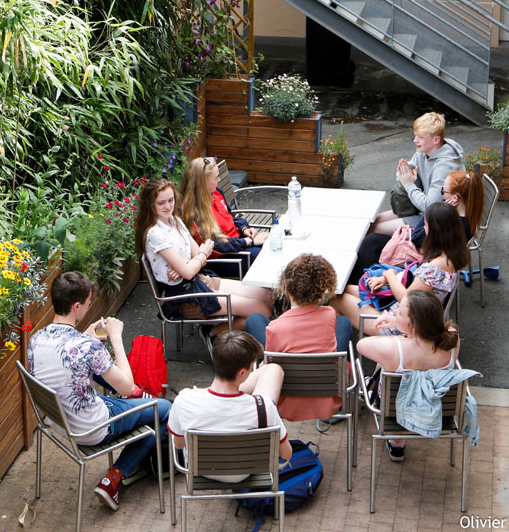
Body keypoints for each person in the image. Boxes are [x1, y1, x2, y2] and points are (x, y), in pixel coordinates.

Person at [27, 271, 172, 511]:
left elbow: (67, 357)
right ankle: (114, 477)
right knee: (165, 410)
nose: (88, 306)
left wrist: (87, 338)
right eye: (87, 303)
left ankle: (134, 447)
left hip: (57, 422)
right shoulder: (88, 347)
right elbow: (128, 386)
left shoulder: (37, 338)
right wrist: (115, 338)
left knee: (125, 395)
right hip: (91, 429)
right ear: (76, 306)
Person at [135, 178, 272, 334]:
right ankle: (212, 334)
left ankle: (220, 331)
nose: (168, 206)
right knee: (262, 310)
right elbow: (198, 258)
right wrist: (191, 264)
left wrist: (190, 265)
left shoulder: (175, 220)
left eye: (171, 200)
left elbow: (200, 258)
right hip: (186, 297)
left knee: (267, 296)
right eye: (161, 203)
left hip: (200, 279)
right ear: (150, 204)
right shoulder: (154, 233)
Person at [167, 330, 292, 480]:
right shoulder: (263, 407)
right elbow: (286, 454)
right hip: (244, 472)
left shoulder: (184, 400)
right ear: (241, 373)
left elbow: (179, 444)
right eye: (252, 366)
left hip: (200, 470)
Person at [331, 201, 470, 335]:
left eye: (426, 225)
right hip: (415, 315)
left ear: (435, 231)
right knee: (343, 288)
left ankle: (340, 349)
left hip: (399, 323)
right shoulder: (453, 255)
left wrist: (389, 274)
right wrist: (386, 278)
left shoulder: (434, 267)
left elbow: (406, 299)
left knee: (335, 297)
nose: (423, 229)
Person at [356, 290, 461, 461]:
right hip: (436, 408)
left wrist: (399, 335)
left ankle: (397, 440)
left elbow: (361, 344)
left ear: (414, 324)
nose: (395, 312)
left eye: (400, 312)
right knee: (390, 367)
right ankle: (396, 443)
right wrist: (402, 327)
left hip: (397, 413)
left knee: (384, 364)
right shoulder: (453, 337)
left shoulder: (394, 349)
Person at [255, 254, 352, 422]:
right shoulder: (329, 314)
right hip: (327, 401)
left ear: (285, 287)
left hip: (287, 402)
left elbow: (270, 365)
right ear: (322, 289)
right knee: (343, 323)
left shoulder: (275, 328)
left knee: (254, 320)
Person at [350, 170, 483, 282]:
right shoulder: (464, 217)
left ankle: (357, 284)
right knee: (372, 240)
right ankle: (358, 281)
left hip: (419, 262)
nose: (442, 195)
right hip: (425, 254)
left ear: (456, 198)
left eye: (444, 191)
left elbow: (417, 237)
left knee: (370, 243)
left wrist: (431, 210)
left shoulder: (448, 221)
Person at [370, 112, 465, 235]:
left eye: (420, 137)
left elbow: (430, 206)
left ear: (436, 139)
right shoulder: (424, 151)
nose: (415, 140)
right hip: (419, 210)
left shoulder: (445, 166)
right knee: (369, 223)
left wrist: (409, 185)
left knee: (373, 230)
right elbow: (401, 177)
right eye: (415, 136)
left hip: (436, 221)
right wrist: (405, 173)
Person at [179, 156, 268, 275]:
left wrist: (244, 228)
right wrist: (248, 242)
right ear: (203, 183)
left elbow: (230, 216)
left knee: (272, 245)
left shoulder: (216, 192)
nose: (219, 179)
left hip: (237, 244)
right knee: (265, 257)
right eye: (216, 177)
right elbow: (216, 246)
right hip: (221, 260)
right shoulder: (192, 211)